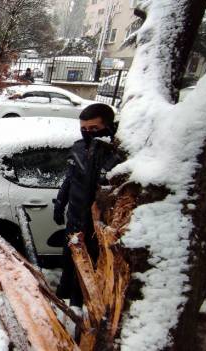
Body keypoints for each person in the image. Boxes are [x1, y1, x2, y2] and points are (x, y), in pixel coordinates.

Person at [52, 103, 122, 307]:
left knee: (88, 273)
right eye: (84, 129)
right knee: (70, 265)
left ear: (108, 127)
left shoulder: (115, 156)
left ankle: (84, 311)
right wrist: (60, 203)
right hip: (74, 221)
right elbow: (69, 179)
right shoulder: (78, 149)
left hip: (96, 228)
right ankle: (67, 306)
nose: (88, 133)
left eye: (93, 129)